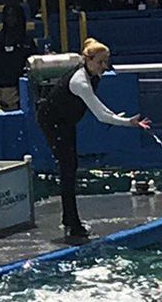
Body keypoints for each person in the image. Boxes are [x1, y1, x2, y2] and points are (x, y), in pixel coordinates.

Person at [36, 39, 150, 244]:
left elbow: (102, 108)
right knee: (67, 166)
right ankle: (72, 222)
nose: (104, 67)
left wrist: (118, 117)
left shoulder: (93, 75)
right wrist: (127, 122)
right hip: (52, 120)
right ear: (88, 60)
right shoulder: (80, 81)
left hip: (66, 120)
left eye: (106, 62)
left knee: (71, 166)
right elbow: (100, 115)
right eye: (100, 62)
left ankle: (69, 219)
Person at [0, 3, 32, 111]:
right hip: (5, 91)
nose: (11, 20)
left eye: (14, 16)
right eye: (8, 16)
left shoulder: (27, 42)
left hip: (26, 89)